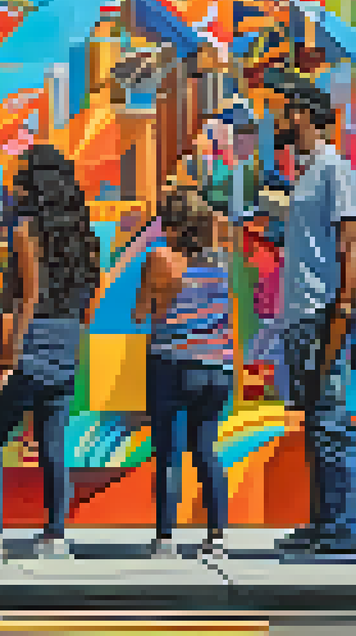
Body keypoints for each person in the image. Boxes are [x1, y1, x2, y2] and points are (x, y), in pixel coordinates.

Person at [0, 144, 101, 560]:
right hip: (68, 340)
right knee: (53, 444)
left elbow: (27, 298)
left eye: (22, 179)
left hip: (35, 339)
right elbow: (88, 298)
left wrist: (10, 360)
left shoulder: (28, 230)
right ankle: (55, 535)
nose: (15, 186)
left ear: (36, 185)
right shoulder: (84, 232)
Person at [265, 68, 356, 555]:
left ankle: (341, 528)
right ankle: (325, 522)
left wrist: (342, 306)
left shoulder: (334, 168)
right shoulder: (306, 173)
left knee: (329, 420)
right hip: (301, 315)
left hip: (323, 313)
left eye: (285, 109)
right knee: (315, 421)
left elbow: (351, 237)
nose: (279, 119)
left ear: (302, 113)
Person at [132, 186, 233, 560]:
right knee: (206, 449)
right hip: (217, 366)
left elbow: (141, 312)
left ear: (172, 227)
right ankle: (216, 536)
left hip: (173, 362)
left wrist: (157, 304)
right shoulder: (221, 258)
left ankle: (164, 538)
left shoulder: (159, 257)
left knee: (168, 453)